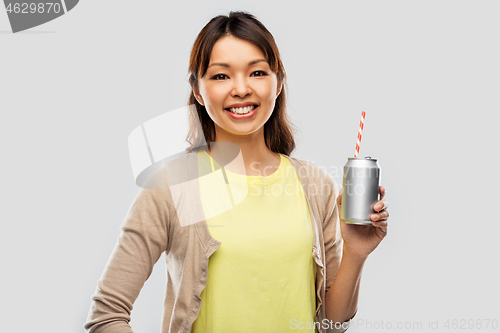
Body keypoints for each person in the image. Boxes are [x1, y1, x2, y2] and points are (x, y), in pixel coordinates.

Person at [84, 11, 389, 333]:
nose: (241, 89)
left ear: (278, 82)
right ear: (198, 91)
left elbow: (331, 324)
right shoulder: (172, 185)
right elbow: (107, 314)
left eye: (257, 72)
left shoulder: (315, 184)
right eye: (220, 76)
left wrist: (355, 253)